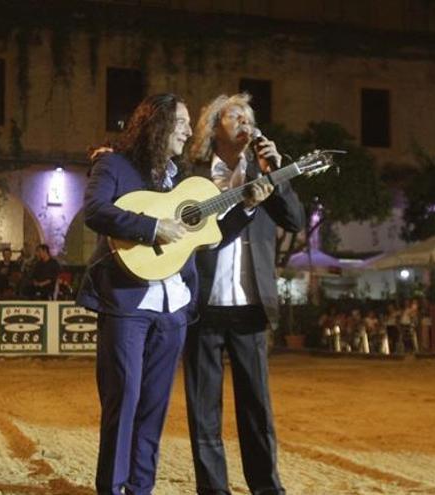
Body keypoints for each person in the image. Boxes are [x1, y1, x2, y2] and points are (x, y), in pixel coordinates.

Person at [75, 93, 272, 495]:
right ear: (156, 124)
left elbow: (207, 238)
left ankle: (141, 488)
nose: (187, 130)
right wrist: (151, 229)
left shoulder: (181, 181)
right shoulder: (113, 164)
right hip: (128, 302)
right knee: (123, 402)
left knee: (153, 408)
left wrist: (247, 207)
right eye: (180, 122)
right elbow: (95, 211)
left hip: (174, 307)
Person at [183, 93, 304, 495]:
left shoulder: (263, 173)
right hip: (203, 308)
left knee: (257, 411)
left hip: (250, 308)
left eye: (249, 116)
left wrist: (278, 172)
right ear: (214, 125)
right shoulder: (192, 175)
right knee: (204, 414)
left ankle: (267, 489)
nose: (245, 122)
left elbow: (295, 220)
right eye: (235, 115)